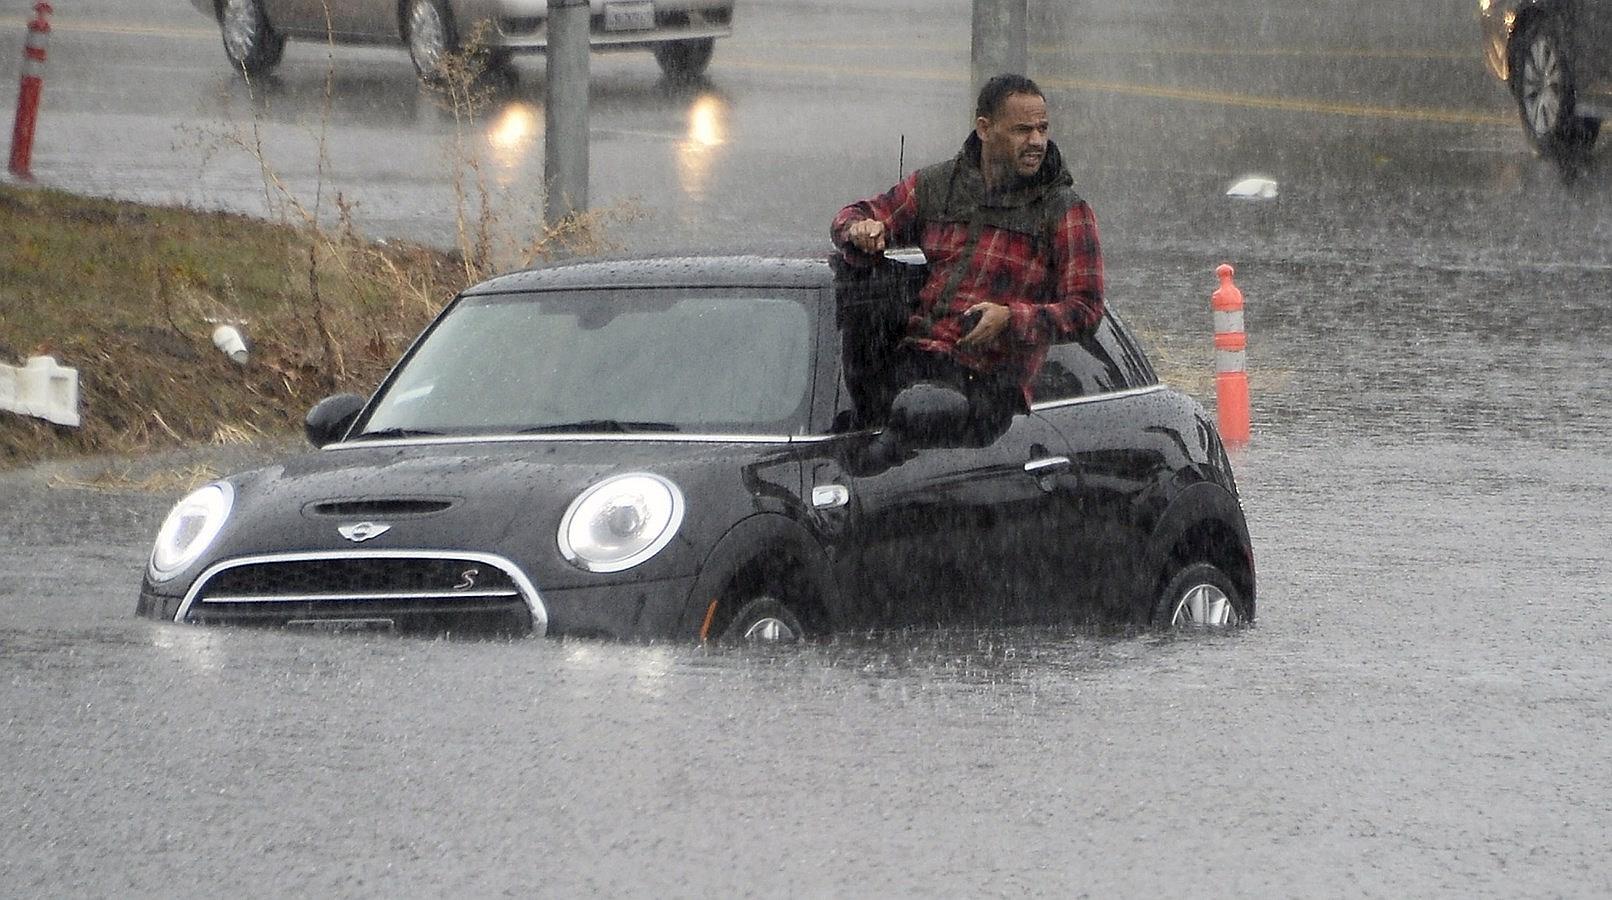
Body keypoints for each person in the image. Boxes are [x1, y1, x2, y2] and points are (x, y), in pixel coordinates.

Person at [830, 73, 1105, 436]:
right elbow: (852, 217)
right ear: (984, 128)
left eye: (1042, 128)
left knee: (901, 434)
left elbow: (1087, 310)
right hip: (910, 366)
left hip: (988, 387)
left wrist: (1010, 319)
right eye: (1023, 130)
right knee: (858, 286)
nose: (1036, 141)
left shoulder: (1065, 211)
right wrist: (860, 230)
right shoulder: (937, 187)